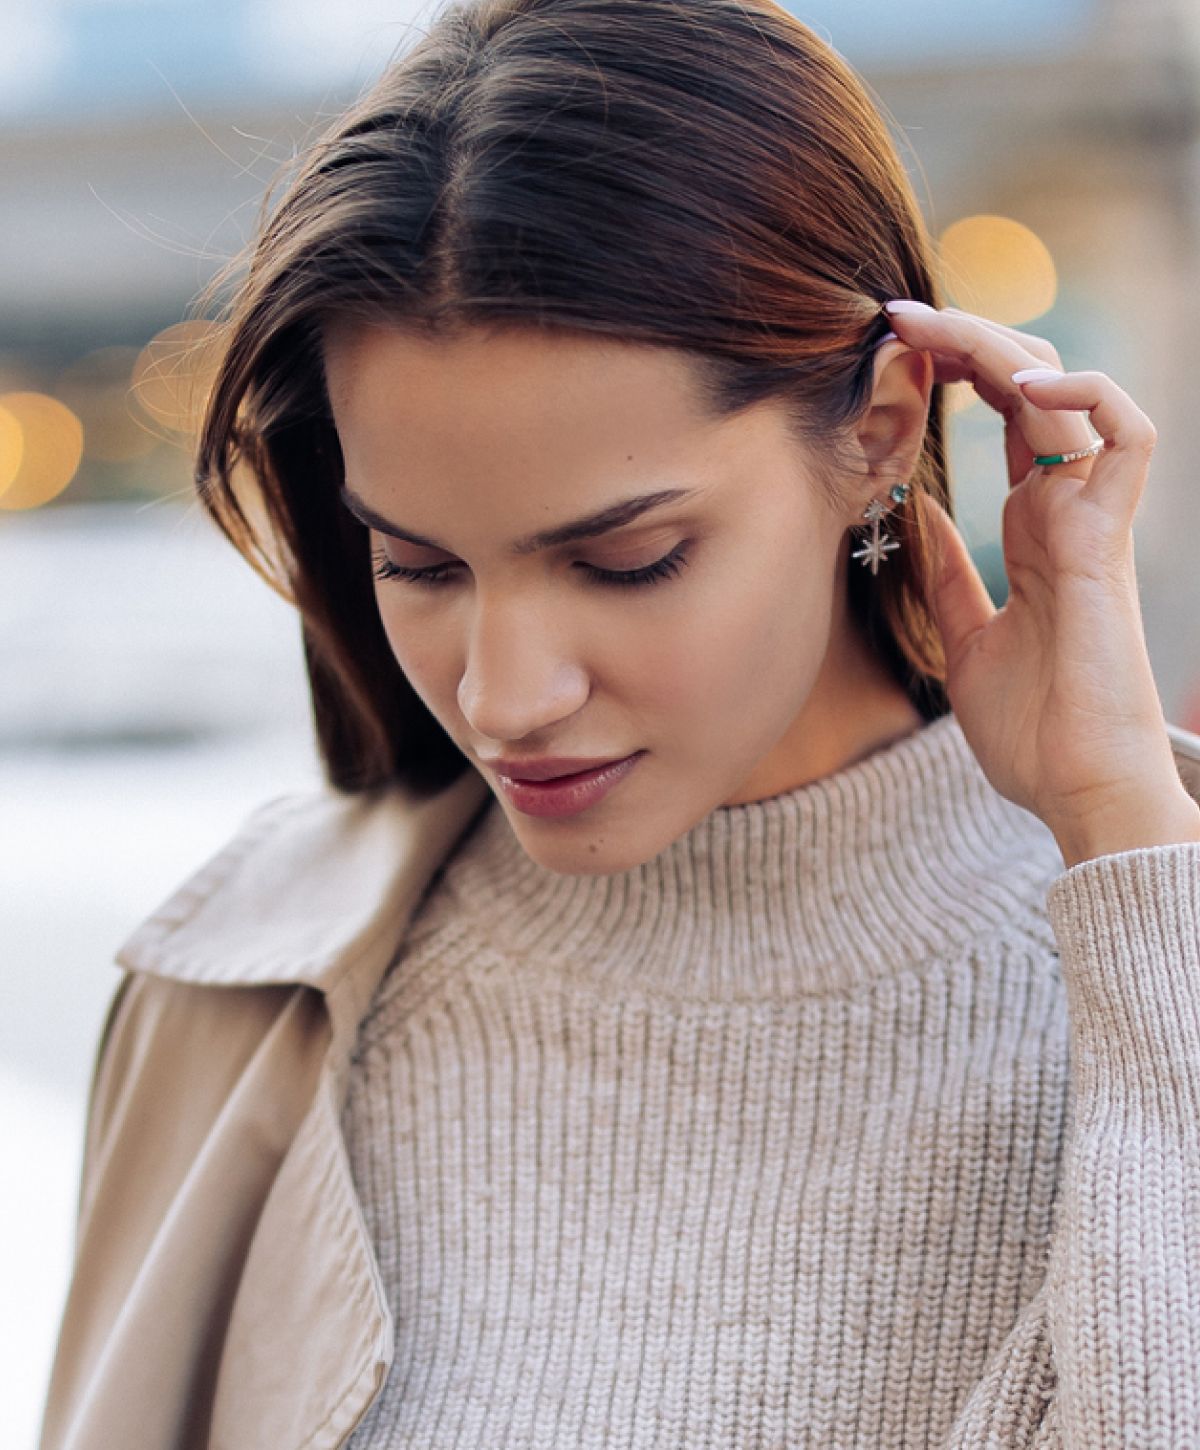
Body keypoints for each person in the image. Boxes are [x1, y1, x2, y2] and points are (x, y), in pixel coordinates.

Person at [38, 0, 1200, 1446]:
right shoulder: (236, 996)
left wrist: (1123, 831)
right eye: (419, 564)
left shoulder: (1148, 959)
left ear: (883, 430)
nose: (504, 697)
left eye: (626, 559)